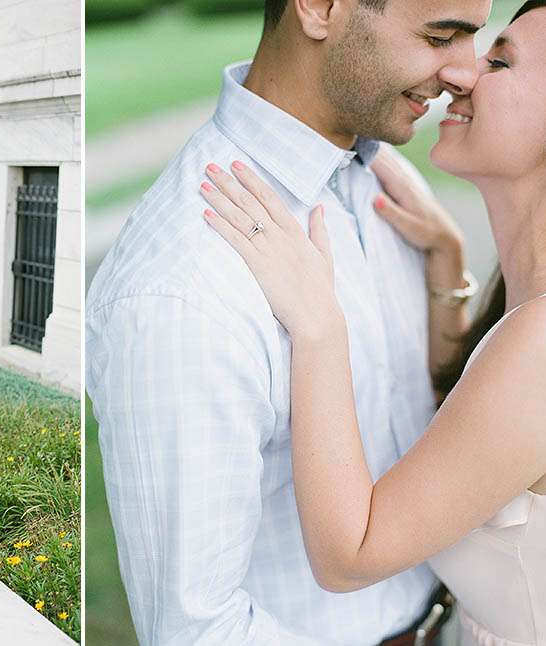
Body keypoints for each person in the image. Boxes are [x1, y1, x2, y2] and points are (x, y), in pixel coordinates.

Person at [85, 0, 492, 643]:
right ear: (321, 8)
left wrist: (448, 277)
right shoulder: (181, 289)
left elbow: (422, 421)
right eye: (440, 36)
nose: (466, 72)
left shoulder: (381, 175)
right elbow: (197, 631)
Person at [201, 2, 546, 643]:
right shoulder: (532, 302)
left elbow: (352, 553)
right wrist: (448, 264)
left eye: (499, 60)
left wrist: (317, 324)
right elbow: (475, 436)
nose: (465, 73)